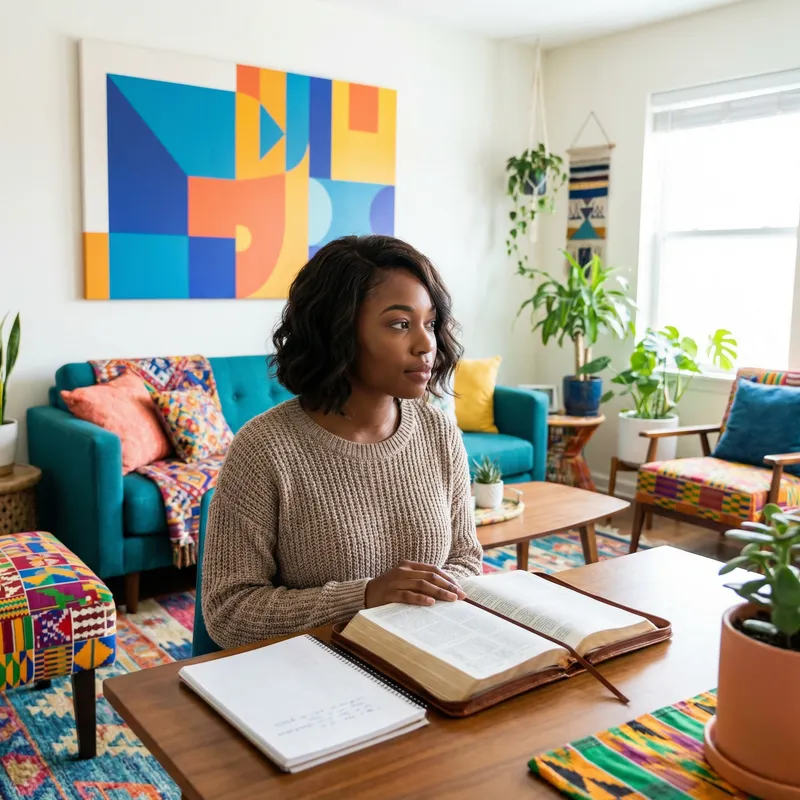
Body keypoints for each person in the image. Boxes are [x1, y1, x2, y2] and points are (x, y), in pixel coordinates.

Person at [202, 234, 483, 649]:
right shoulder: (264, 449)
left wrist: (421, 600)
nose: (426, 345)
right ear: (338, 332)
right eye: (400, 324)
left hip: (427, 663)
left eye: (431, 323)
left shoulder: (439, 432)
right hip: (314, 682)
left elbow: (466, 561)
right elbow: (228, 612)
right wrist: (365, 597)